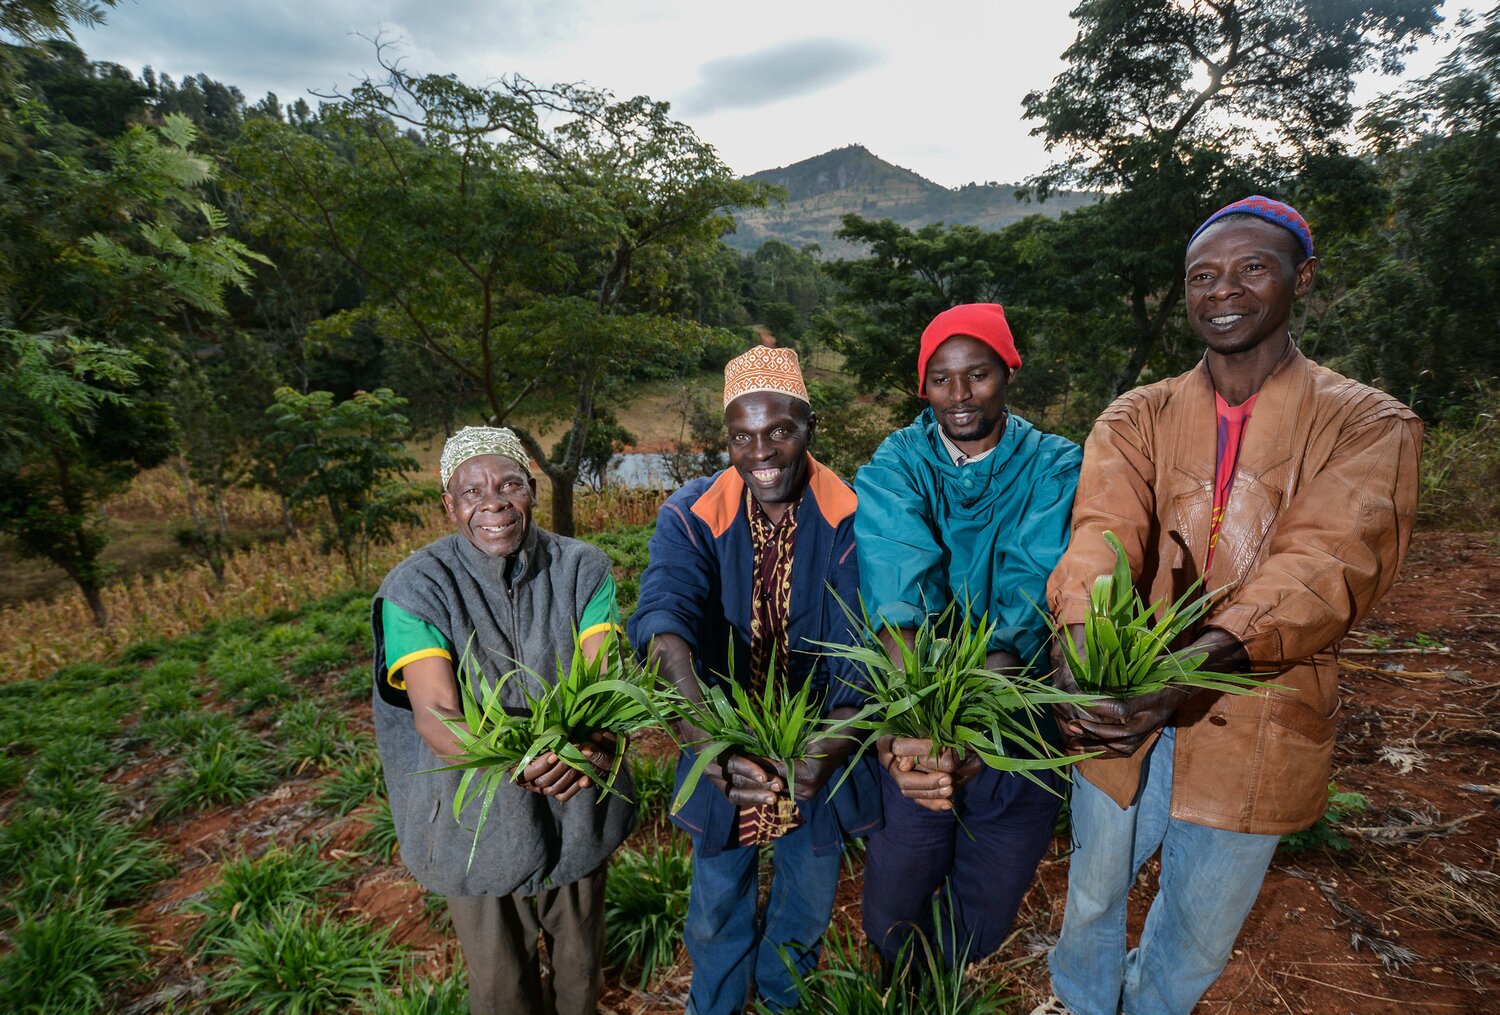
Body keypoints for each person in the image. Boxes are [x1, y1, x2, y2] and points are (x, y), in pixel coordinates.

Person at [1033, 197, 1422, 1015]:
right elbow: (1102, 532)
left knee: (1200, 927)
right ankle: (1079, 1001)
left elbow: (1324, 567)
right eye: (1203, 276)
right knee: (1094, 893)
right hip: (1122, 700)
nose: (1224, 291)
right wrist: (1077, 640)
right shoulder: (1138, 415)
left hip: (1262, 711)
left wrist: (1190, 667)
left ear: (1301, 278)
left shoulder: (1368, 422)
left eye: (1253, 268)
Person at [627, 346, 881, 1015]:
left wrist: (824, 749)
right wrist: (705, 737)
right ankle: (713, 1005)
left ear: (809, 427)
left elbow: (861, 648)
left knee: (804, 901)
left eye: (780, 431)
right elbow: (664, 614)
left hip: (820, 743)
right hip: (722, 740)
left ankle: (780, 999)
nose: (760, 451)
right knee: (716, 904)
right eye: (742, 436)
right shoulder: (691, 513)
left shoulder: (852, 516)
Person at [370, 426, 633, 1015]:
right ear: (448, 503)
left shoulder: (581, 568)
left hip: (577, 808)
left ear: (532, 489)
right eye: (471, 492)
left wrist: (594, 745)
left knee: (578, 979)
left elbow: (603, 680)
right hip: (475, 829)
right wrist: (525, 759)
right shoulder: (415, 588)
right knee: (502, 993)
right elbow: (436, 715)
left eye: (509, 484)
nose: (492, 503)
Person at [852, 303, 1082, 969]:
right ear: (923, 386)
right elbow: (898, 589)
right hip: (920, 709)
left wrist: (976, 722)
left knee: (988, 894)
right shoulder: (898, 460)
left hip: (1016, 710)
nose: (959, 396)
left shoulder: (1053, 463)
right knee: (901, 876)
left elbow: (1031, 585)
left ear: (1008, 372)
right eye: (941, 379)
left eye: (977, 374)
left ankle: (951, 983)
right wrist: (921, 726)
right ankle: (895, 979)